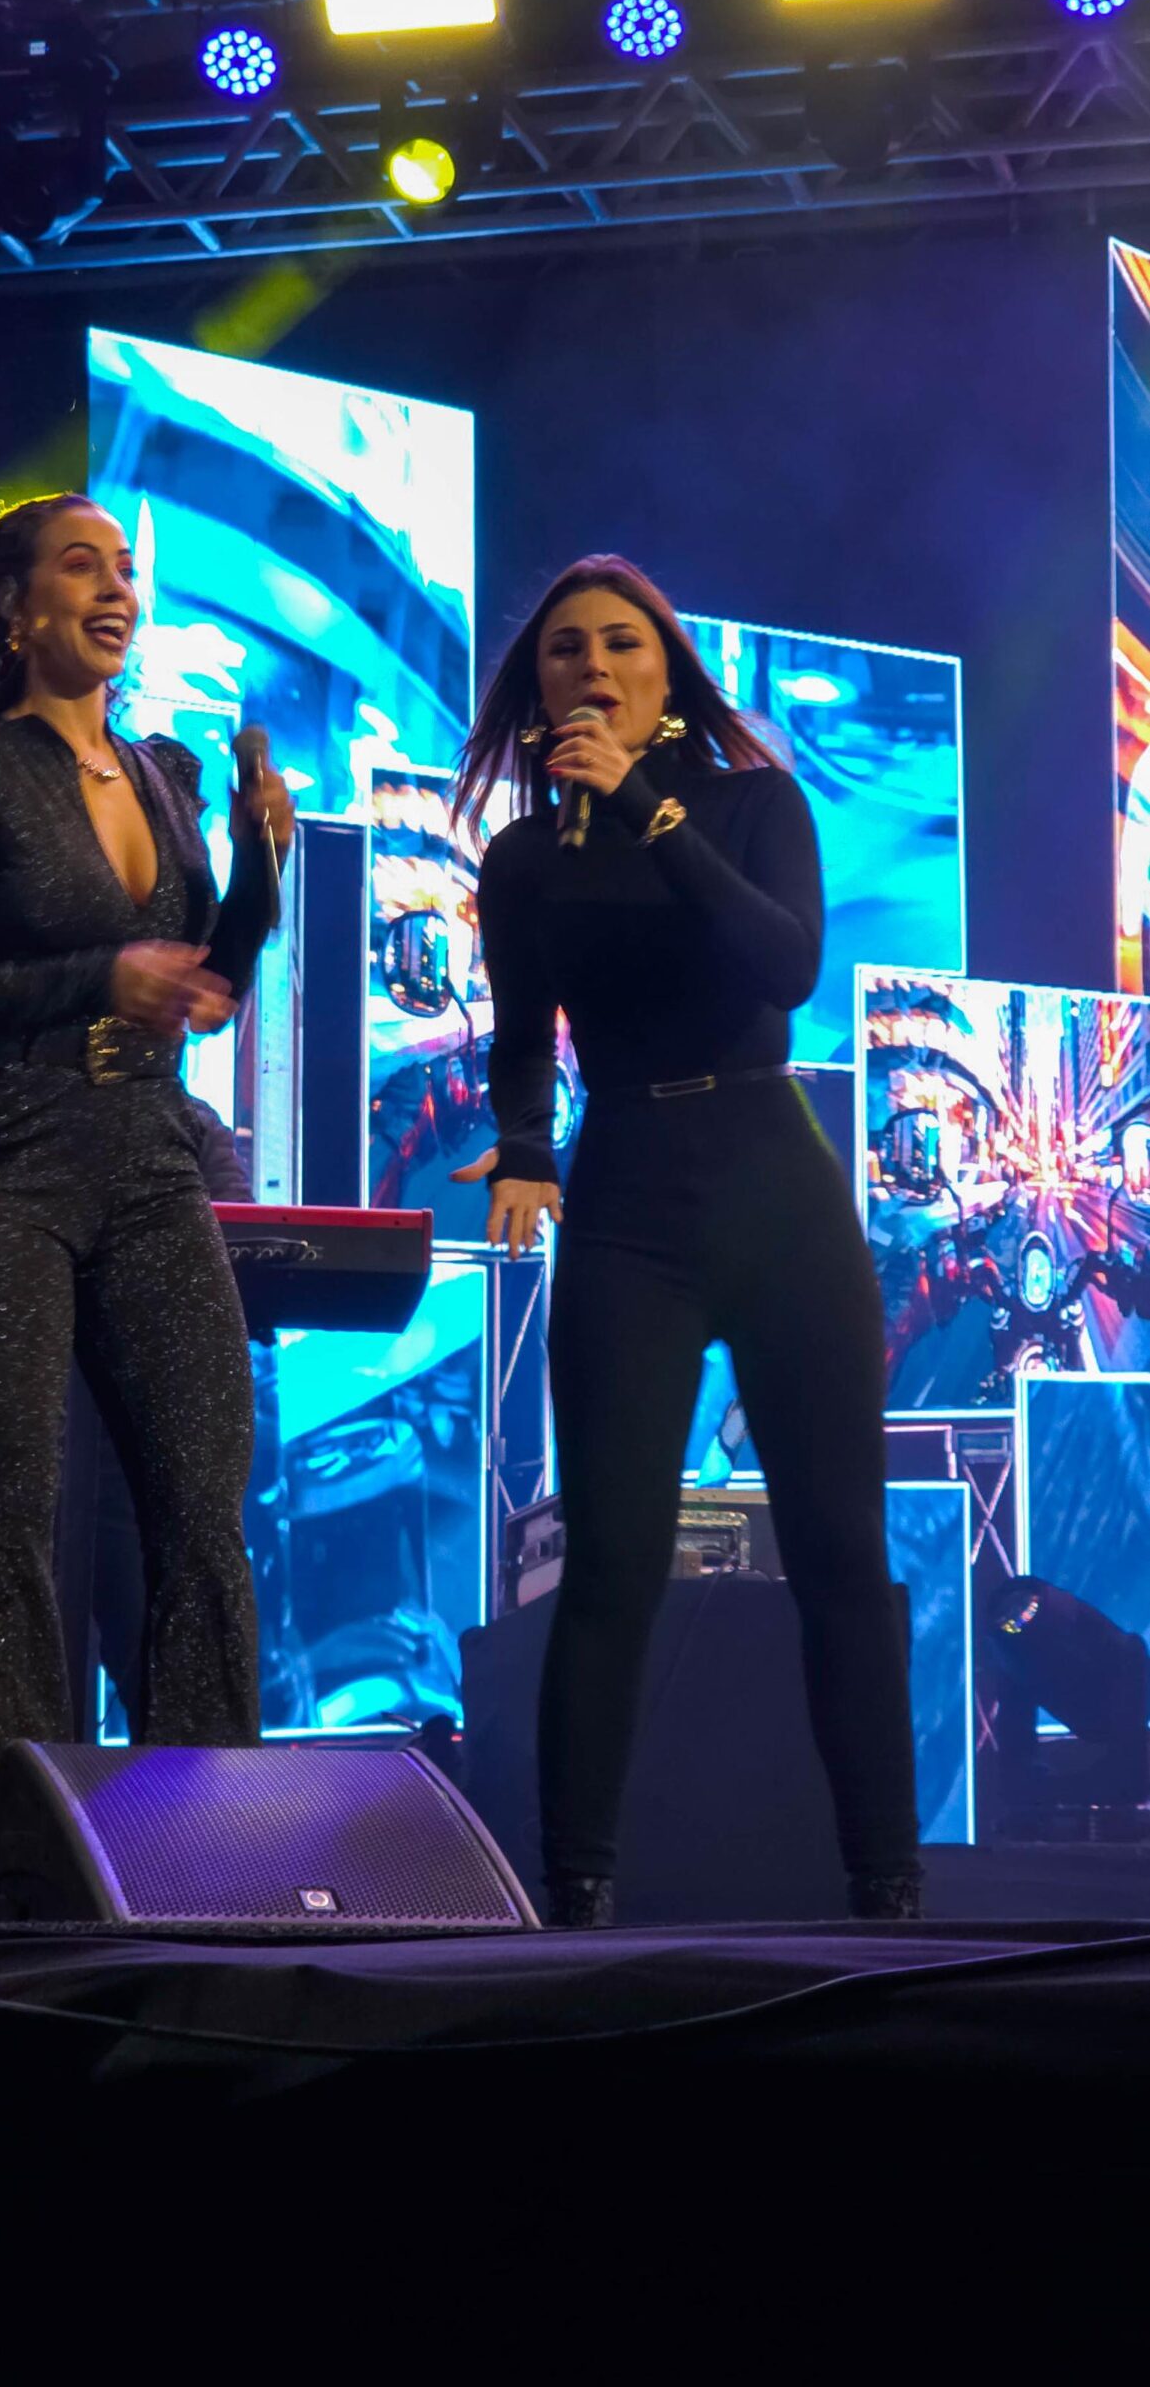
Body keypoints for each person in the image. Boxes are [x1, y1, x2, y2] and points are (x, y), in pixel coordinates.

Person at [452, 555, 921, 1928]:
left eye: (620, 643)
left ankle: (888, 1887)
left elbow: (784, 966)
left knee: (839, 1553)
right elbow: (519, 1034)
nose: (591, 665)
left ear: (666, 672)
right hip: (628, 1199)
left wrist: (648, 809)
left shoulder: (752, 803)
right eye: (565, 649)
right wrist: (526, 1151)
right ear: (537, 690)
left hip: (773, 1184)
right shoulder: (522, 860)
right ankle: (577, 1894)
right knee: (608, 1561)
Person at [0, 492, 293, 1920]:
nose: (114, 589)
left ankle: (203, 1875)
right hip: (4, 1162)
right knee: (12, 1528)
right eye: (79, 567)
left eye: (125, 570)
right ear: (16, 609)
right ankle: (5, 1892)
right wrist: (94, 978)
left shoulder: (164, 774)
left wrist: (258, 871)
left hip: (150, 1159)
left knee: (203, 1513)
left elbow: (206, 984)